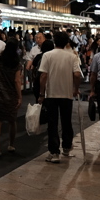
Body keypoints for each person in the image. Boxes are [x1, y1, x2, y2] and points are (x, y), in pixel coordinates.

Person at [38, 31, 82, 163]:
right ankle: (67, 148)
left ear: (54, 41)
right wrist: (76, 88)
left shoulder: (47, 55)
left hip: (51, 94)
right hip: (67, 94)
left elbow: (43, 76)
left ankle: (54, 152)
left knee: (53, 123)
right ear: (66, 42)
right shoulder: (72, 56)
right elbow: (77, 75)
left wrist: (41, 93)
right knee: (66, 122)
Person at [0, 34, 22, 156]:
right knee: (12, 121)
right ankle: (11, 145)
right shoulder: (16, 63)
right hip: (11, 95)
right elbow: (17, 81)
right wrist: (20, 96)